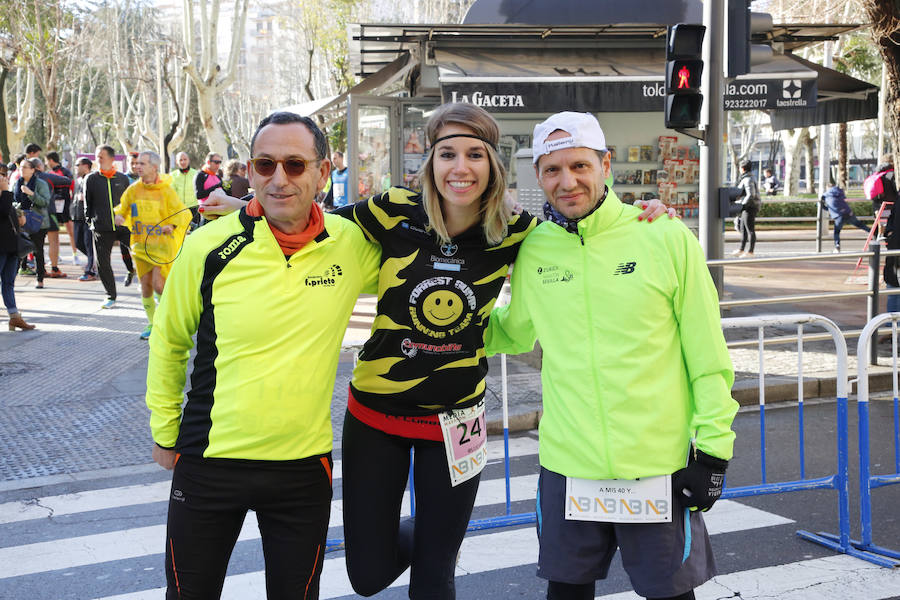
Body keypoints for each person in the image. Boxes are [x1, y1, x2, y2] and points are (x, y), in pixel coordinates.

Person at [200, 105, 671, 600]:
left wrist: (643, 217)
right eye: (447, 153)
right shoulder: (391, 209)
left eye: (473, 154)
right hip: (376, 416)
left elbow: (584, 236)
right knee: (368, 574)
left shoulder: (518, 231)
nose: (459, 167)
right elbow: (320, 226)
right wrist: (246, 209)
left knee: (433, 576)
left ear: (492, 163)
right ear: (431, 161)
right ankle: (427, 541)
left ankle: (436, 547)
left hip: (457, 425)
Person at [484, 111, 738, 600]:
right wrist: (442, 320)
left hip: (655, 464)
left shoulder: (662, 235)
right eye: (553, 169)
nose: (567, 181)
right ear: (539, 175)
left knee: (670, 595)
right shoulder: (534, 249)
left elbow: (707, 352)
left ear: (605, 165)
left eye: (579, 165)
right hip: (568, 466)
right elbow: (511, 333)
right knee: (566, 594)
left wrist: (714, 451)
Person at [146, 112, 381, 599]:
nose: (279, 178)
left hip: (301, 469)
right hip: (209, 461)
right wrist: (164, 430)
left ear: (322, 171)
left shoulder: (351, 245)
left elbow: (422, 258)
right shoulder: (209, 246)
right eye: (265, 164)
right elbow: (169, 341)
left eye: (295, 165)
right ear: (249, 171)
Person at [114, 151, 190, 340]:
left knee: (159, 285)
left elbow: (182, 213)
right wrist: (119, 216)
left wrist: (171, 225)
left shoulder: (166, 190)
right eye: (137, 163)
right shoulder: (133, 189)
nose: (137, 166)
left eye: (143, 163)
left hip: (162, 247)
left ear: (154, 167)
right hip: (140, 245)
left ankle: (166, 321)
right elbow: (122, 208)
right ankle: (152, 323)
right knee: (146, 286)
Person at [85, 144, 136, 308]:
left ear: (111, 159)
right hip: (101, 228)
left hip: (124, 227)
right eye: (96, 156)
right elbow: (88, 204)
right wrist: (91, 221)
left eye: (101, 156)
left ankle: (152, 289)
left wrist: (130, 219)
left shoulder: (122, 178)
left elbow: (129, 202)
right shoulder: (91, 179)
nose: (98, 160)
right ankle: (110, 296)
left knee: (141, 253)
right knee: (103, 263)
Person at [1, 172, 35, 330]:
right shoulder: (5, 194)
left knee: (8, 283)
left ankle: (14, 317)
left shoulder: (5, 195)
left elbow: (10, 214)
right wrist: (6, 191)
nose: (3, 179)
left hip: (11, 247)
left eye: (4, 176)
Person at [14, 158, 54, 289]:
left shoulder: (40, 183)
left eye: (25, 167)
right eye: (20, 167)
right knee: (17, 250)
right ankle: (11, 279)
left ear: (32, 170)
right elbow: (13, 201)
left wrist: (31, 193)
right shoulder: (17, 183)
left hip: (38, 222)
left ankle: (40, 278)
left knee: (38, 251)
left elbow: (45, 202)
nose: (22, 170)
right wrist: (17, 207)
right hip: (21, 221)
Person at [45, 151, 77, 272]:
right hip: (53, 205)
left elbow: (72, 186)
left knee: (70, 230)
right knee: (54, 232)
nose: (47, 163)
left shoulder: (65, 172)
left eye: (47, 161)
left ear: (51, 160)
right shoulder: (48, 173)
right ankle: (55, 257)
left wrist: (72, 202)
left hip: (66, 205)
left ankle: (75, 255)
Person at [71, 157, 97, 281]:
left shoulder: (92, 179)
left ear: (85, 166)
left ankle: (90, 270)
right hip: (77, 216)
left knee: (88, 243)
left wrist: (86, 198)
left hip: (88, 217)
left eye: (77, 165)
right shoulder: (78, 180)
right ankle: (94, 262)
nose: (75, 167)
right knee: (78, 242)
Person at [823, 183, 869, 253]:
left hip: (838, 215)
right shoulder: (840, 191)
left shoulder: (825, 195)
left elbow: (822, 205)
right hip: (848, 213)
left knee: (837, 232)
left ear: (827, 188)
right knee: (859, 224)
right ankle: (873, 233)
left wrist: (829, 209)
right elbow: (844, 200)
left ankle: (837, 246)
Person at [732, 160, 760, 258]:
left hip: (750, 207)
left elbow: (751, 194)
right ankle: (741, 249)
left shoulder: (748, 179)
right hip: (747, 206)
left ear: (742, 168)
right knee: (743, 228)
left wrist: (743, 205)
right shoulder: (747, 178)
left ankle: (750, 252)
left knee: (750, 229)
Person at [171, 152, 200, 227]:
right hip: (179, 210)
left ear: (188, 160)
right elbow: (171, 193)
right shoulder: (172, 175)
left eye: (185, 159)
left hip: (194, 210)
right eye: (180, 160)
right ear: (177, 162)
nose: (183, 162)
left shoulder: (196, 173)